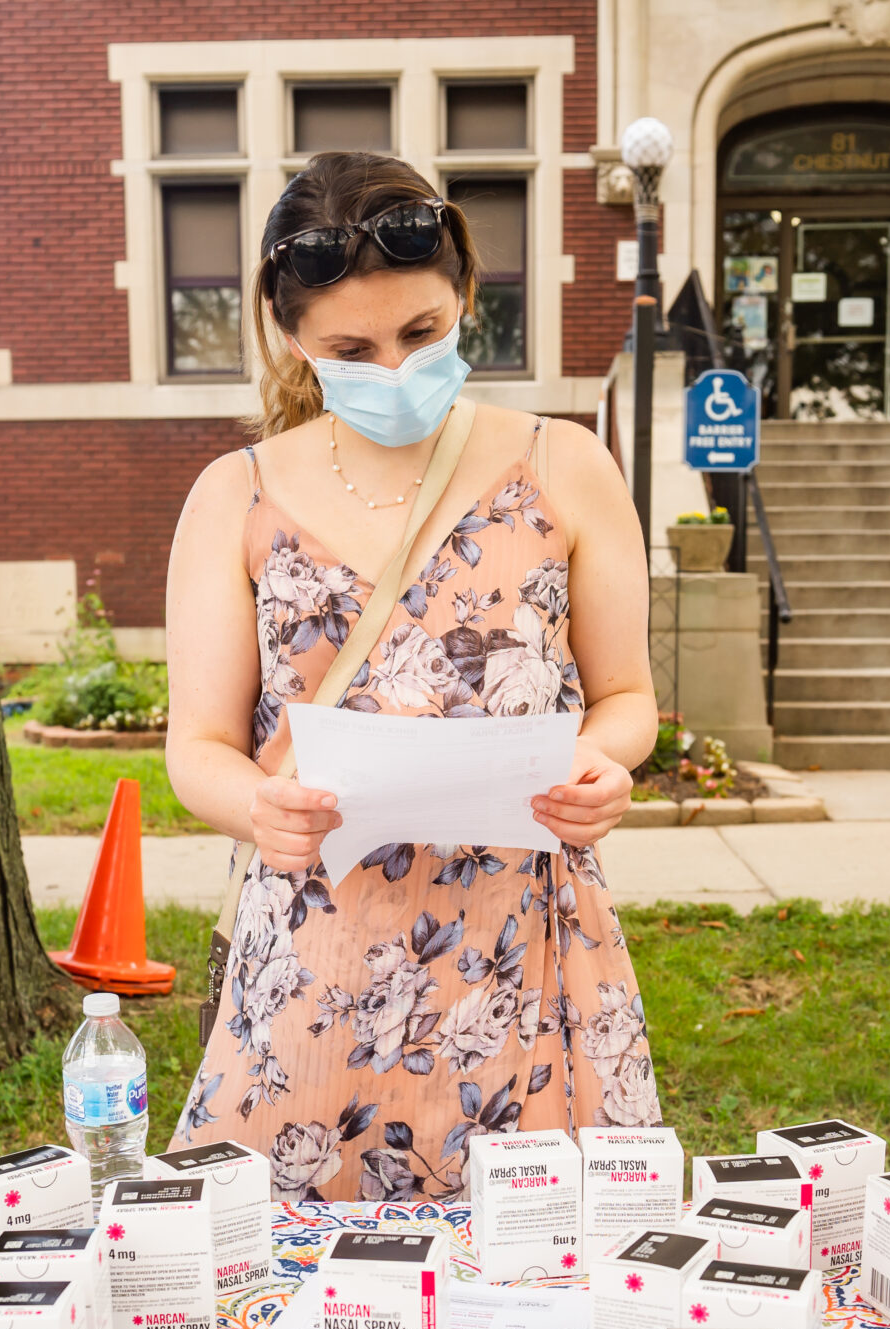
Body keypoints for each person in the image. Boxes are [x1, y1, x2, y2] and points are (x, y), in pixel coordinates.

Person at [165, 151, 662, 1203]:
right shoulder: (233, 494)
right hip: (315, 961)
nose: (391, 368)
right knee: (292, 1302)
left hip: (529, 955)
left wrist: (599, 765)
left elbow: (626, 701)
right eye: (351, 346)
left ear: (466, 297)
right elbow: (196, 749)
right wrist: (262, 808)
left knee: (542, 1288)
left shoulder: (565, 463)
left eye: (421, 334)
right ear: (291, 335)